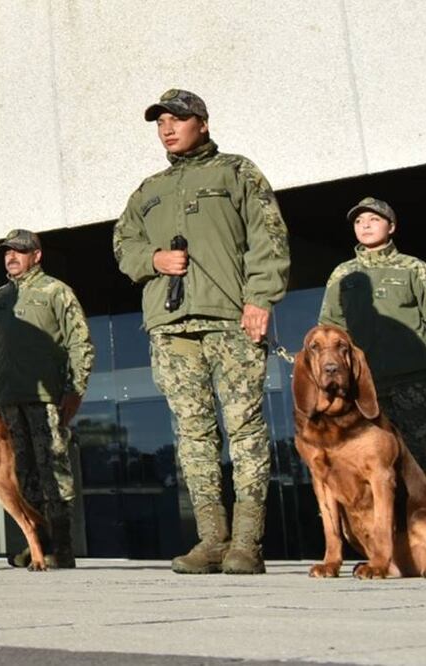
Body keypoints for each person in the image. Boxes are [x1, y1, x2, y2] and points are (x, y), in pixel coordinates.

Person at [113, 89, 291, 575]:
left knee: (245, 429)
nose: (167, 128)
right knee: (192, 434)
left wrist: (259, 298)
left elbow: (268, 237)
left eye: (177, 119)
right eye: (161, 122)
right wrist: (151, 260)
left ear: (203, 124)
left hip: (230, 320)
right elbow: (122, 242)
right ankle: (212, 539)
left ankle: (248, 543)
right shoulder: (148, 189)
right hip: (171, 327)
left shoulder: (236, 171)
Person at [318, 197, 426, 490]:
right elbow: (330, 332)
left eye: (373, 219)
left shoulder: (414, 269)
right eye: (359, 221)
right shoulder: (343, 275)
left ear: (391, 226)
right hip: (365, 390)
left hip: (414, 386)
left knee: (421, 468)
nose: (365, 226)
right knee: (372, 470)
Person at [0, 229, 95, 569]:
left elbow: (80, 342)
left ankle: (61, 547)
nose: (11, 257)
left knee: (54, 470)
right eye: (7, 252)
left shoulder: (56, 291)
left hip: (46, 398)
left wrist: (75, 389)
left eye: (19, 251)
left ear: (37, 255)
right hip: (7, 400)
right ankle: (35, 545)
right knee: (21, 473)